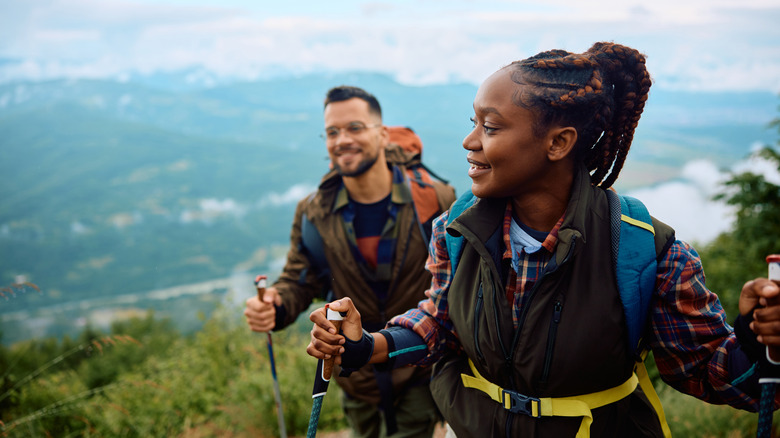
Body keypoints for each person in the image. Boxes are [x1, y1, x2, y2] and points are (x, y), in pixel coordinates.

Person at [306, 43, 780, 437]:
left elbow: (713, 373)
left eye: (490, 127)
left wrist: (760, 343)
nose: (470, 142)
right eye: (473, 122)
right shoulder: (456, 230)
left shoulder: (644, 251)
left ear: (558, 143)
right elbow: (442, 321)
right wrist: (368, 345)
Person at [244, 85, 456, 437]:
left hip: (417, 369)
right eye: (332, 132)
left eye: (355, 128)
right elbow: (300, 279)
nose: (342, 139)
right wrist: (276, 306)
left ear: (382, 134)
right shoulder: (315, 213)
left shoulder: (434, 198)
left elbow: (455, 286)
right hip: (354, 376)